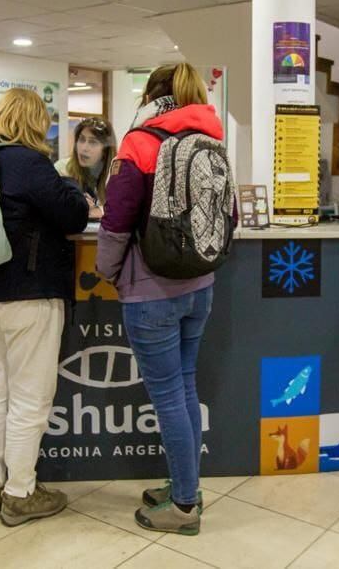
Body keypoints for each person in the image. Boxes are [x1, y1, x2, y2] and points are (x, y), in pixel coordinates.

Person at [96, 63, 230, 535]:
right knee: (185, 387)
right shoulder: (212, 138)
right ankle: (183, 484)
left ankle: (184, 505)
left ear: (151, 95)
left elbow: (116, 217)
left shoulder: (141, 140)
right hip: (201, 285)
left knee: (169, 396)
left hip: (150, 288)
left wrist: (107, 271)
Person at [0, 88, 89, 526]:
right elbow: (72, 215)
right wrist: (73, 188)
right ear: (34, 122)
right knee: (30, 398)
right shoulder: (27, 161)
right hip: (29, 292)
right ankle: (19, 494)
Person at [54, 117, 114, 221]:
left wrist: (100, 210)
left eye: (93, 142)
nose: (84, 148)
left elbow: (124, 209)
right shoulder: (62, 169)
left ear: (105, 150)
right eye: (81, 140)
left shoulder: (116, 173)